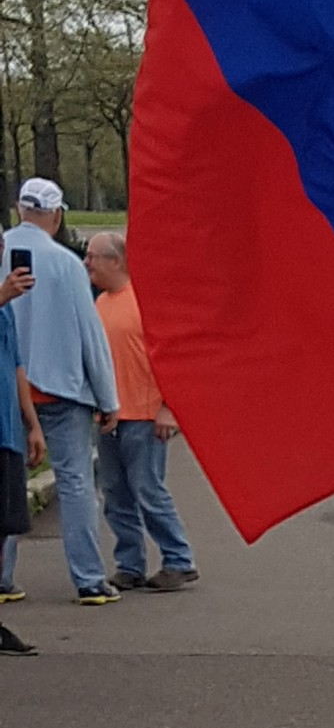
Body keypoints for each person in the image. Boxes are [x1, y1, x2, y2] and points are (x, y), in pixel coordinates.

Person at [2, 179, 119, 603]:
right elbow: (92, 338)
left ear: (19, 209)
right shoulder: (67, 264)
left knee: (7, 481)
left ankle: (3, 577)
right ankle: (88, 579)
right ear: (56, 215)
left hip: (9, 390)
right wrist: (108, 399)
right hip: (62, 389)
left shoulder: (1, 254)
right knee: (76, 485)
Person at [85, 232, 197, 592]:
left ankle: (179, 560)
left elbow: (173, 360)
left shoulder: (145, 304)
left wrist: (168, 407)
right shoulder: (100, 303)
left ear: (116, 261)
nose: (87, 262)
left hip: (145, 415)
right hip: (110, 414)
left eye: (93, 256)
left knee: (148, 490)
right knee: (116, 494)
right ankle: (130, 564)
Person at [0, 256, 48, 653]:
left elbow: (15, 364)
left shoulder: (7, 308)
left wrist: (31, 423)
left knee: (4, 526)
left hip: (6, 431)